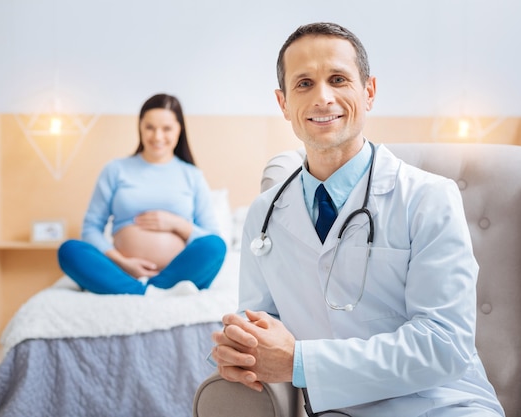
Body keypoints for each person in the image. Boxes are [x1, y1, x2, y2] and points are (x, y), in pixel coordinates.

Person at [210, 22, 505, 416]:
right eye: (303, 84)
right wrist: (241, 350)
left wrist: (299, 362)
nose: (323, 97)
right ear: (283, 103)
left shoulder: (428, 197)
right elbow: (262, 332)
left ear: (368, 92)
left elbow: (444, 345)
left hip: (444, 405)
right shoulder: (263, 216)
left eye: (338, 79)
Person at [58, 93, 226, 295]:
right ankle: (146, 290)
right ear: (140, 127)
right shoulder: (115, 169)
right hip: (122, 270)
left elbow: (211, 235)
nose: (157, 136)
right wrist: (123, 262)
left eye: (166, 129)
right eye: (150, 127)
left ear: (179, 130)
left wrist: (176, 224)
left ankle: (148, 288)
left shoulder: (192, 175)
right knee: (69, 250)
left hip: (177, 273)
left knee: (216, 246)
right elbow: (91, 229)